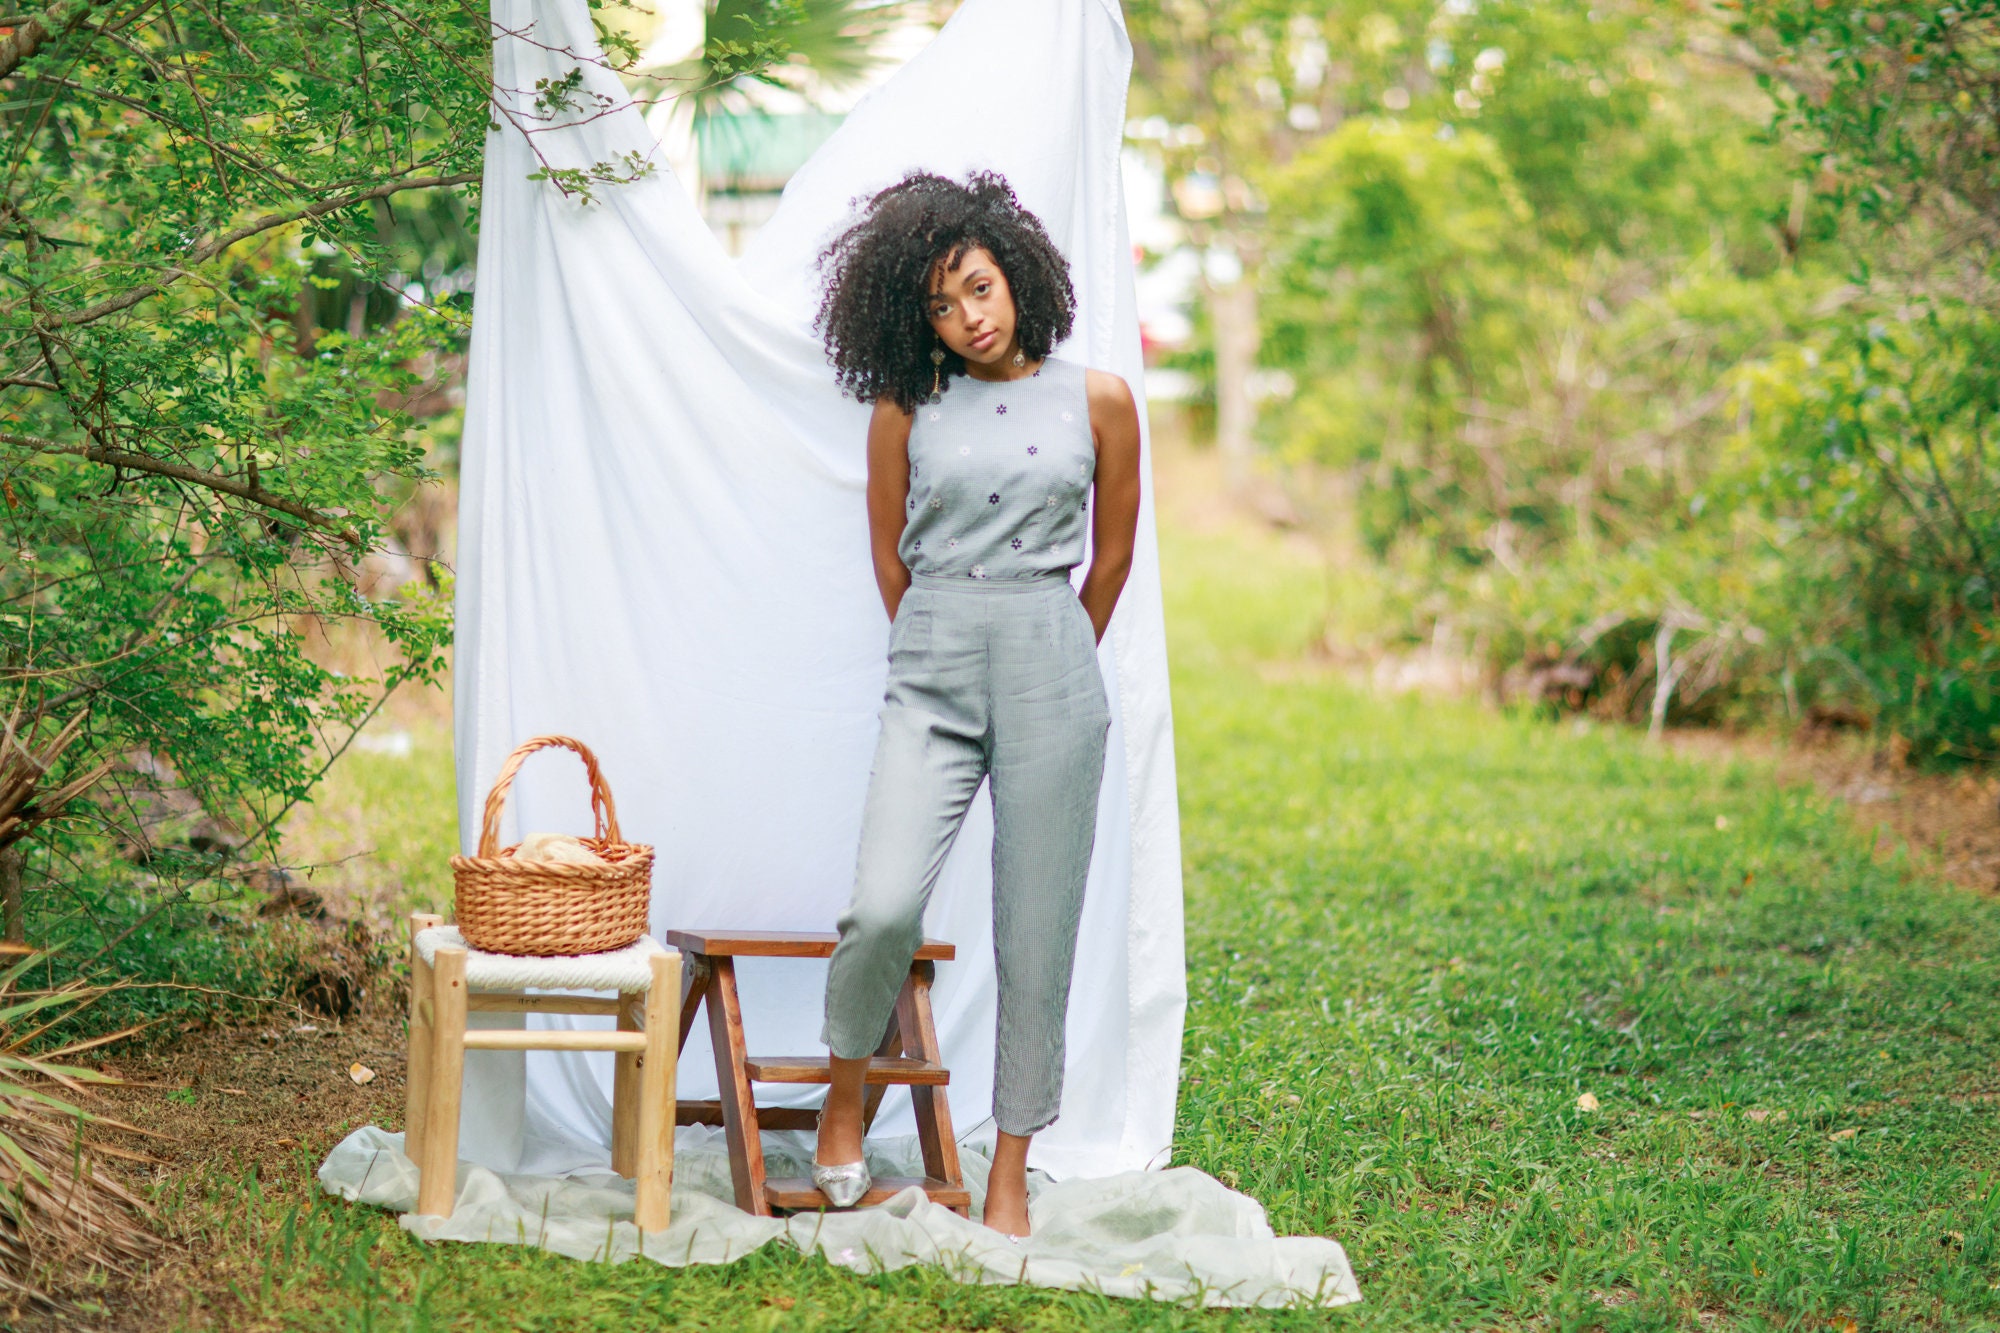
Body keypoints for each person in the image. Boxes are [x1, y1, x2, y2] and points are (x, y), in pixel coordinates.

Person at [809, 170, 1141, 1238]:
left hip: (1052, 661)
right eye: (942, 306)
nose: (968, 319)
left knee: (1036, 933)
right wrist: (947, 642)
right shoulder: (906, 405)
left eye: (981, 289)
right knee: (883, 906)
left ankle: (1008, 1168)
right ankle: (846, 1093)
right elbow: (885, 555)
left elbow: (1114, 550)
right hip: (935, 657)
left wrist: (1049, 654)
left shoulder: (1097, 399)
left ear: (1019, 275)